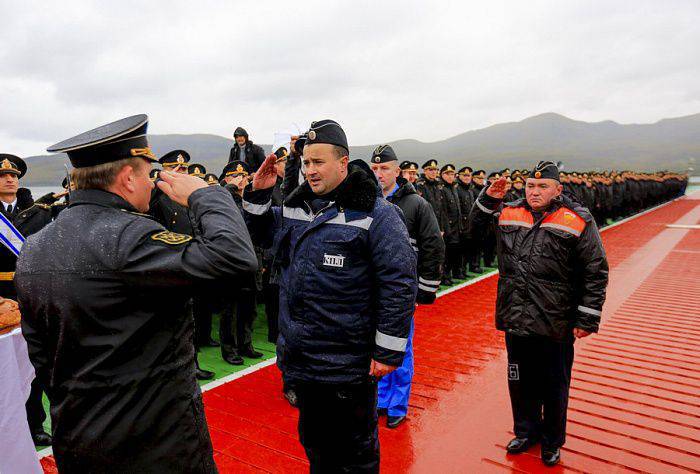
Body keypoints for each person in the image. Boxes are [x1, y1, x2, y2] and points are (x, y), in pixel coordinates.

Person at [16, 114, 257, 473]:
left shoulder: (34, 247)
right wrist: (209, 196)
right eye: (147, 174)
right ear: (128, 178)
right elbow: (236, 260)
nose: (152, 184)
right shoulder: (131, 237)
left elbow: (39, 350)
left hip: (78, 437)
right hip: (155, 443)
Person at [242, 119, 416, 472]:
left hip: (347, 366)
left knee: (354, 456)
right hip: (303, 362)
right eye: (306, 163)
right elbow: (262, 235)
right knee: (316, 447)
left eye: (318, 162)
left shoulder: (376, 214)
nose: (310, 171)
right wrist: (259, 194)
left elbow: (398, 282)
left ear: (343, 162)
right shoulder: (298, 207)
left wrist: (387, 352)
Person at [469, 160, 608, 466]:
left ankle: (551, 440)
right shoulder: (509, 211)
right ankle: (525, 431)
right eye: (531, 185)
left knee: (554, 385)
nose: (534, 191)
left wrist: (587, 317)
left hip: (555, 321)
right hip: (516, 316)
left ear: (558, 189)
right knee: (519, 380)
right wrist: (489, 198)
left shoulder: (577, 218)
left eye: (542, 186)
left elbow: (595, 270)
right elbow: (474, 231)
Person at [369, 144, 443, 429]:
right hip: (371, 289)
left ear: (398, 171)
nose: (379, 174)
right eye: (374, 169)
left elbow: (433, 245)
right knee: (374, 347)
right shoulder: (366, 201)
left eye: (385, 168)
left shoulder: (416, 205)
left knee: (400, 347)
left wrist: (424, 290)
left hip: (400, 291)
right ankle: (380, 401)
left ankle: (397, 404)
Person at [0, 154, 54, 447]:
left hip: (32, 294)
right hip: (0, 298)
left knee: (35, 361)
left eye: (14, 175)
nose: (10, 179)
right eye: (2, 175)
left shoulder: (38, 212)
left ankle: (34, 425)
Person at [151, 150, 217, 379]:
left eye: (184, 169)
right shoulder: (157, 197)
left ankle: (191, 362)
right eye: (175, 168)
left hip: (191, 260)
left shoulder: (189, 198)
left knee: (192, 317)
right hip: (168, 263)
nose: (181, 173)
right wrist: (159, 181)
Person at [218, 159, 264, 364]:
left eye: (244, 176)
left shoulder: (251, 200)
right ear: (226, 179)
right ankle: (229, 349)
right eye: (235, 176)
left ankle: (246, 345)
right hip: (231, 262)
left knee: (249, 308)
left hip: (252, 261)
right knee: (230, 311)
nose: (241, 180)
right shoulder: (223, 200)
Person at [439, 163, 462, 283]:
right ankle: (444, 277)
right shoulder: (441, 189)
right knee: (446, 254)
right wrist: (446, 229)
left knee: (453, 252)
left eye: (452, 174)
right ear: (442, 175)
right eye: (447, 174)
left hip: (456, 227)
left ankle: (450, 274)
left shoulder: (453, 188)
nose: (450, 176)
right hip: (447, 228)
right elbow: (442, 211)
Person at [456, 166, 478, 275]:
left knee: (468, 249)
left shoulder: (469, 189)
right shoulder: (457, 189)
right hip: (461, 225)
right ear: (459, 176)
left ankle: (464, 270)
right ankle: (459, 270)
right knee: (460, 250)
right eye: (464, 175)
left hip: (469, 224)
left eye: (469, 175)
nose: (467, 177)